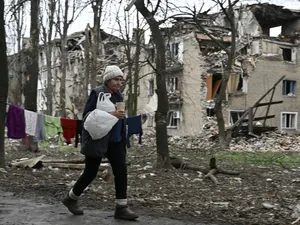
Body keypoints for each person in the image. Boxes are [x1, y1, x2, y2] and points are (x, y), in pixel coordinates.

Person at [62, 65, 138, 221]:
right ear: (108, 79)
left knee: (121, 171)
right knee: (90, 173)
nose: (119, 83)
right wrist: (112, 114)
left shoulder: (119, 96)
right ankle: (71, 198)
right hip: (98, 139)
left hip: (116, 140)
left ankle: (121, 208)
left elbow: (120, 116)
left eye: (120, 80)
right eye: (116, 79)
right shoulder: (97, 93)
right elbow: (88, 117)